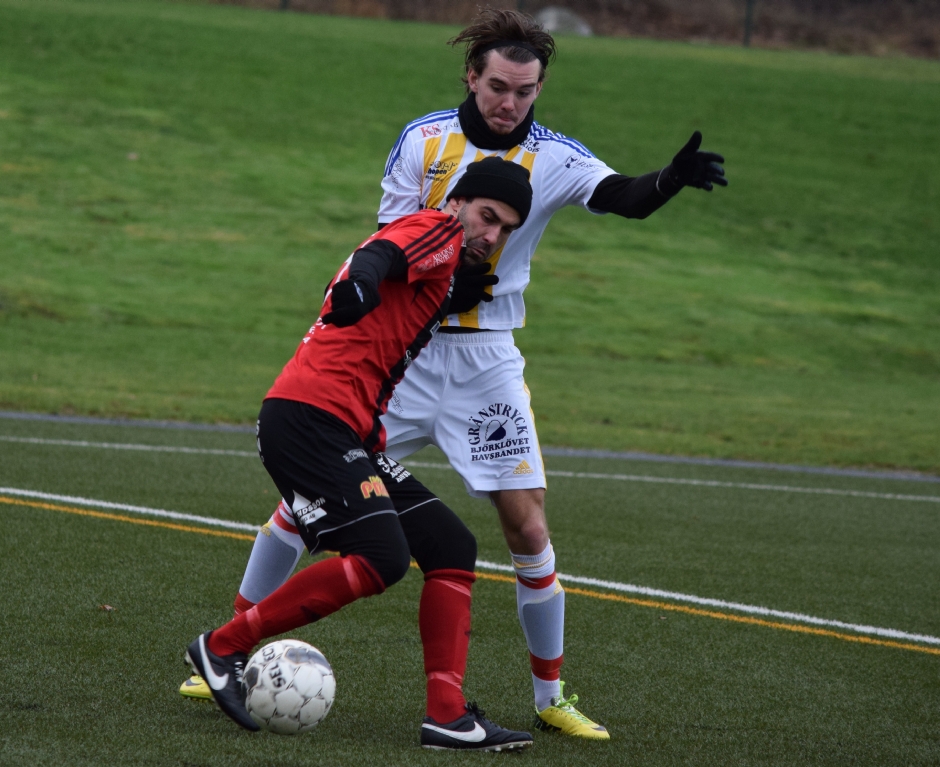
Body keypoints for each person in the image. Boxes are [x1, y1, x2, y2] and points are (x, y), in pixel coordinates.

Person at [187, 9, 727, 740]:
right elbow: (390, 244)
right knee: (313, 504)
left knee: (522, 524)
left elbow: (621, 197)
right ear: (472, 77)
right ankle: (222, 652)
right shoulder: (424, 142)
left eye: (525, 91)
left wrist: (668, 179)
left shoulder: (555, 156)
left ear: (539, 91)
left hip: (487, 358)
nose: (510, 102)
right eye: (498, 86)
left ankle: (547, 697)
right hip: (401, 354)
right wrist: (378, 285)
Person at [186, 159, 537, 751]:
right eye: (487, 216)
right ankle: (221, 647)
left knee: (450, 545)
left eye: (505, 228)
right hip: (310, 419)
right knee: (382, 557)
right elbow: (381, 256)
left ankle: (447, 716)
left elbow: (403, 291)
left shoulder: (444, 261)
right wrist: (361, 285)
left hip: (343, 430)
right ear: (457, 202)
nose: (491, 235)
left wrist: (444, 297)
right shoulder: (437, 228)